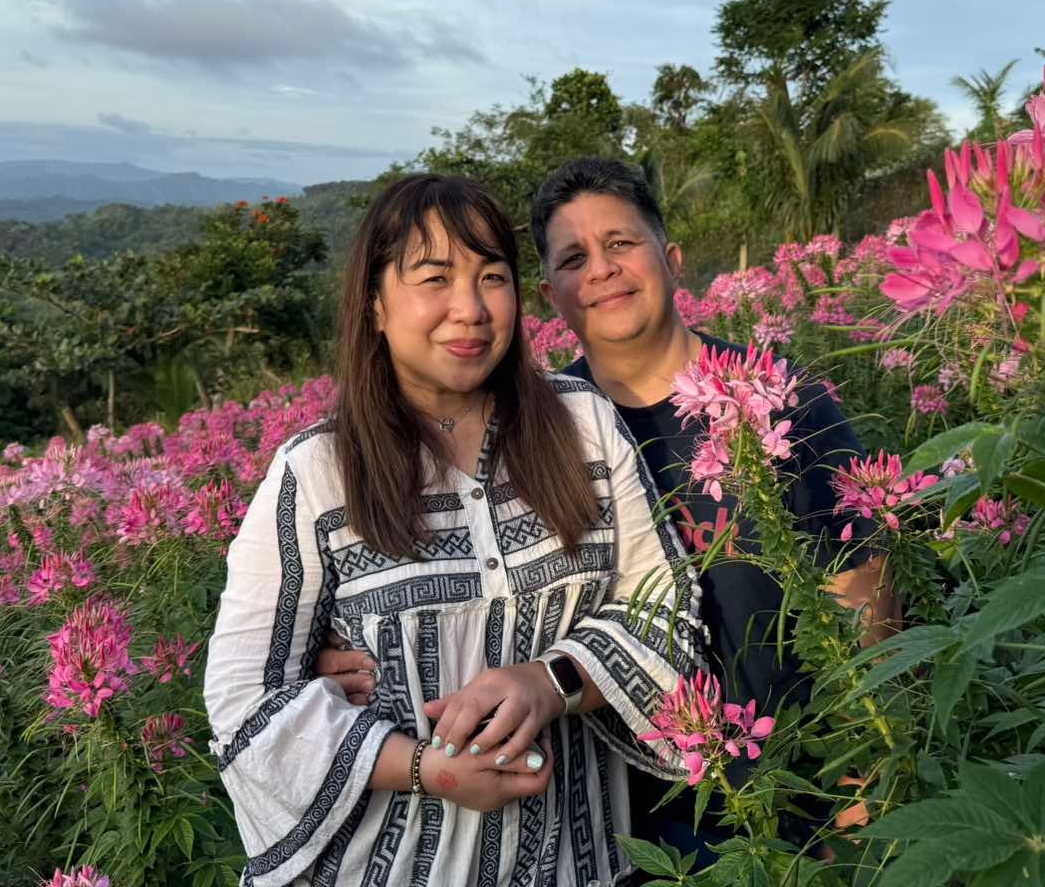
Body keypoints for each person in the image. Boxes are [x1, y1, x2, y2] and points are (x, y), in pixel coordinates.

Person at [319, 158, 894, 870]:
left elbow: (861, 588)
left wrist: (866, 767)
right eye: (572, 258)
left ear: (671, 258)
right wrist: (344, 650)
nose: (602, 271)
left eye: (621, 244)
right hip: (635, 816)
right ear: (552, 294)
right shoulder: (540, 434)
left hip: (808, 774)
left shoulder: (780, 396)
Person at [204, 174, 703, 887]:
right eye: (433, 278)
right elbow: (244, 706)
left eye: (491, 277)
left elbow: (669, 610)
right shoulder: (315, 472)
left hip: (580, 862)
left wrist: (550, 680)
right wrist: (422, 767)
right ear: (375, 304)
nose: (468, 309)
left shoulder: (582, 424)